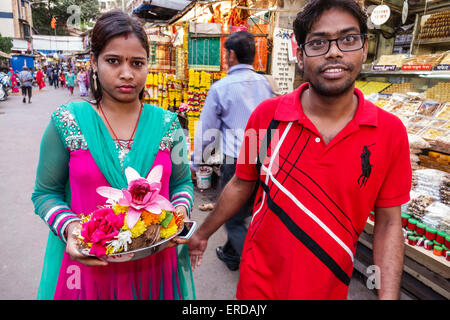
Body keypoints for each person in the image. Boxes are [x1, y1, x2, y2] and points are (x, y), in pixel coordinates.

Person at [188, 0, 411, 300]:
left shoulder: (389, 132)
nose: (334, 51)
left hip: (328, 289)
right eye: (318, 42)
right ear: (300, 54)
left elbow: (388, 223)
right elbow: (242, 183)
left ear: (364, 47)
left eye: (348, 39)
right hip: (258, 288)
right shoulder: (266, 117)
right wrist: (203, 232)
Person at [31, 10, 195, 300]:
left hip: (154, 266)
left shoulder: (168, 126)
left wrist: (180, 212)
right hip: (88, 269)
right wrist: (71, 229)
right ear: (94, 62)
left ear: (148, 65)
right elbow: (45, 193)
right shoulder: (68, 122)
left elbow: (182, 184)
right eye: (113, 61)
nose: (127, 73)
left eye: (137, 63)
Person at [191, 31, 274, 271]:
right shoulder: (264, 84)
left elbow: (207, 129)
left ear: (232, 55)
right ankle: (230, 253)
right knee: (251, 210)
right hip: (265, 158)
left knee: (234, 217)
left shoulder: (221, 87)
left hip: (237, 161)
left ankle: (256, 267)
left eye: (226, 53)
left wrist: (197, 163)